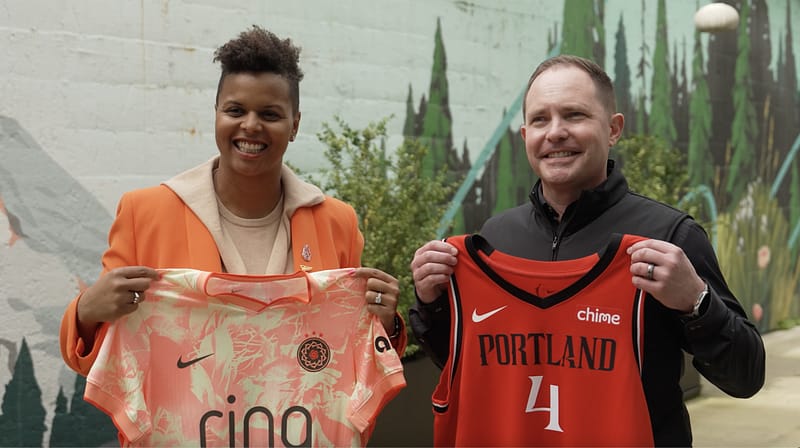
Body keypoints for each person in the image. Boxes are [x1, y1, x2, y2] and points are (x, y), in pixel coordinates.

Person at [60, 25, 405, 444]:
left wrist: (385, 323)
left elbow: (349, 356)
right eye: (236, 110)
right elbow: (106, 361)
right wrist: (87, 313)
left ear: (295, 125)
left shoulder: (336, 221)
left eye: (270, 114)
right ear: (216, 115)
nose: (251, 126)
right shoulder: (145, 213)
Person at [409, 54, 764, 446]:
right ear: (525, 135)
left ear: (613, 129)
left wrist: (697, 303)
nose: (555, 132)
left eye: (574, 115)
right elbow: (472, 367)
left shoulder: (668, 236)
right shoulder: (496, 237)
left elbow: (746, 377)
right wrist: (432, 303)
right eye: (540, 119)